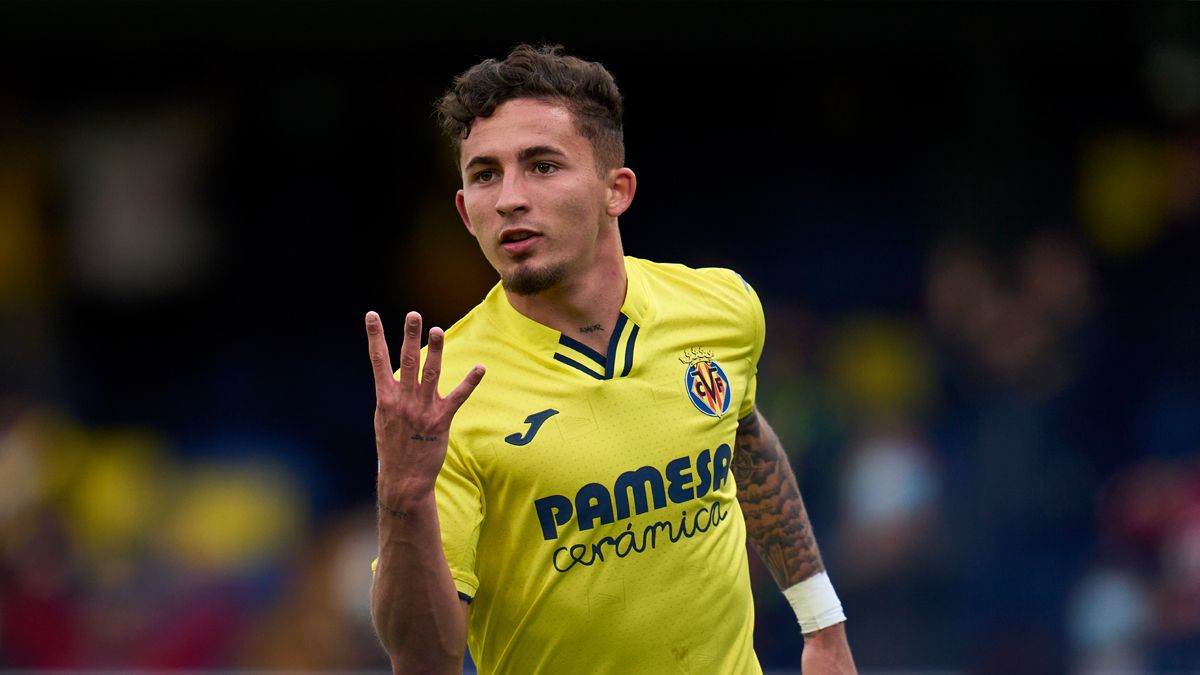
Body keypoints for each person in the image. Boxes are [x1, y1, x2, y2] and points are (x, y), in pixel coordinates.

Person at [366, 44, 857, 675]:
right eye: (485, 175)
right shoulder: (441, 392)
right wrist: (403, 495)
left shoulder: (721, 307)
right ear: (465, 212)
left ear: (615, 190)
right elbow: (424, 659)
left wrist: (822, 626)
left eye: (542, 166)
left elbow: (744, 442)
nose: (510, 198)